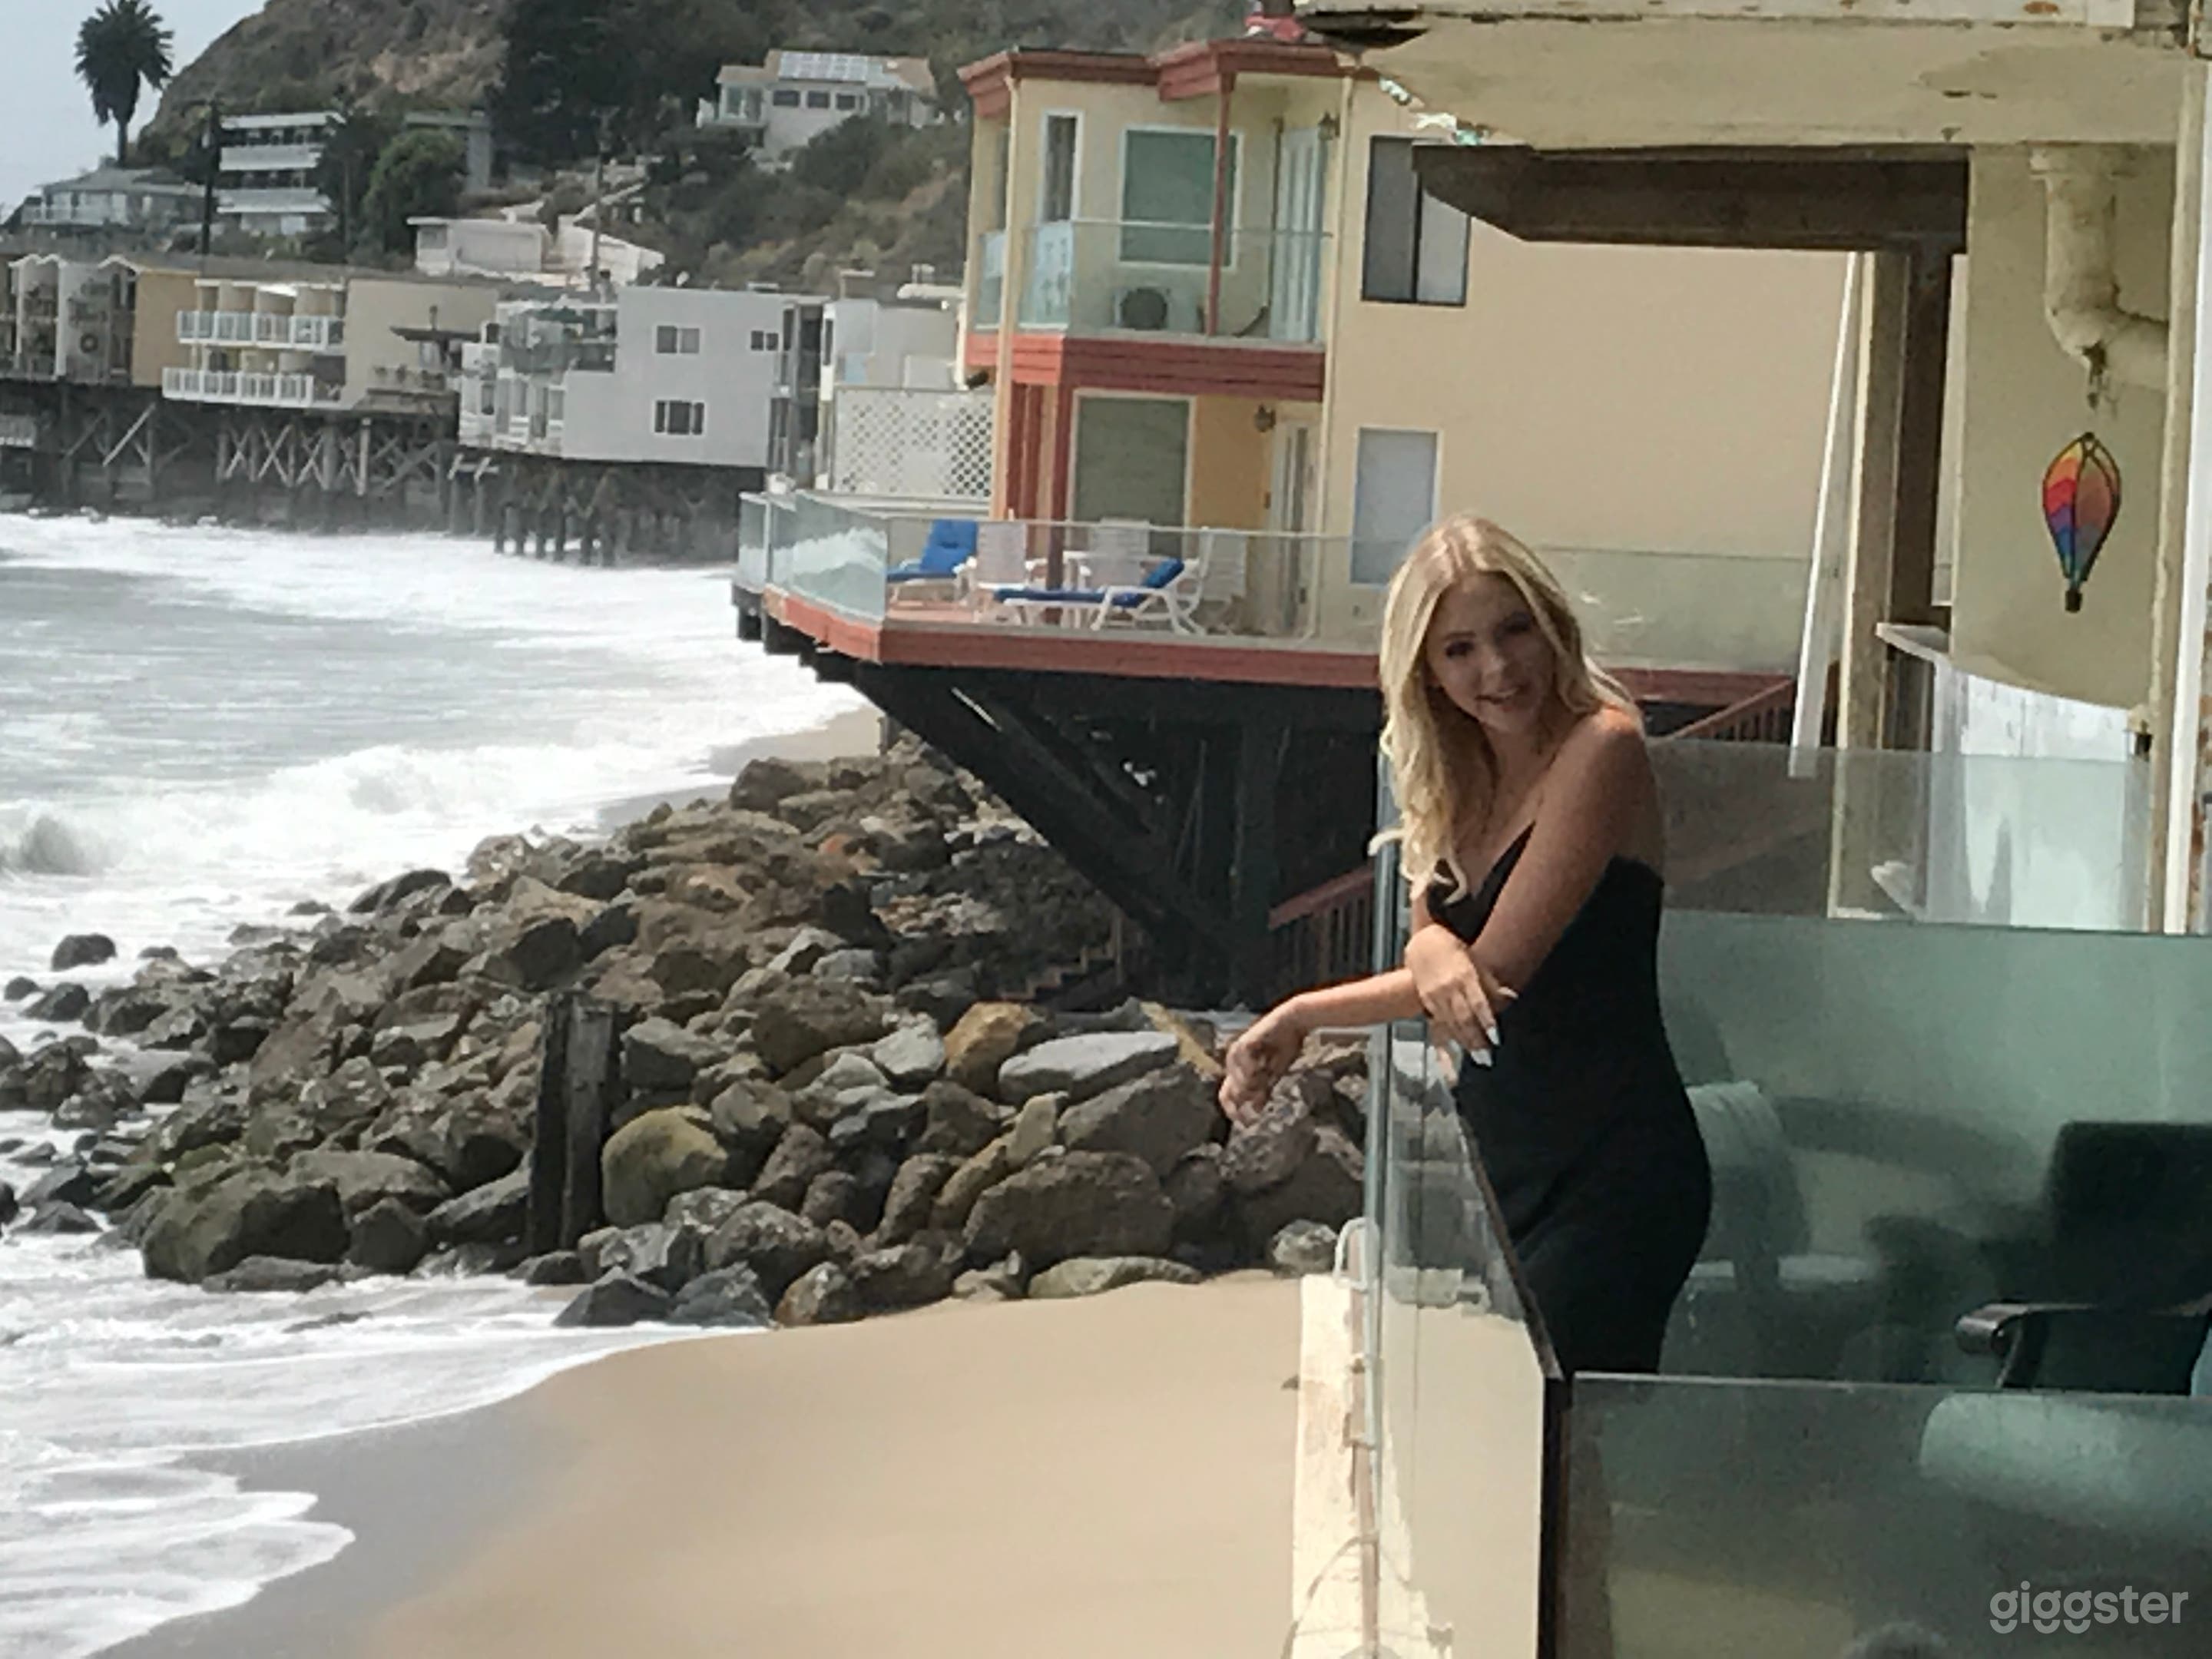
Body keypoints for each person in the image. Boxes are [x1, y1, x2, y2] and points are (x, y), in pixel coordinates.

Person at [1220, 515, 1711, 1375]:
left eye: (1514, 629)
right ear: (1426, 670)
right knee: (1533, 1455)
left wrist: (1307, 1011)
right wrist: (1429, 954)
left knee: (1559, 1453)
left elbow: (1490, 977)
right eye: (1459, 649)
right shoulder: (1458, 778)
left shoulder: (1603, 747)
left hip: (1612, 1164)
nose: (1497, 668)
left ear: (1550, 621)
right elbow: (1430, 950)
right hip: (1510, 1161)